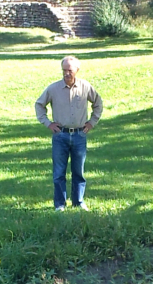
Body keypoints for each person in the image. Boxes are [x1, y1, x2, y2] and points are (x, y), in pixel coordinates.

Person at [35, 56, 103, 212]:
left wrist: (92, 122)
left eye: (70, 70)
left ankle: (78, 202)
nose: (66, 73)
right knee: (59, 172)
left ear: (77, 70)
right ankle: (60, 204)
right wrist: (48, 123)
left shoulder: (85, 87)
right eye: (64, 70)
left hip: (79, 135)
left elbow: (98, 104)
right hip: (60, 136)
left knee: (78, 171)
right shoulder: (53, 89)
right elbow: (39, 105)